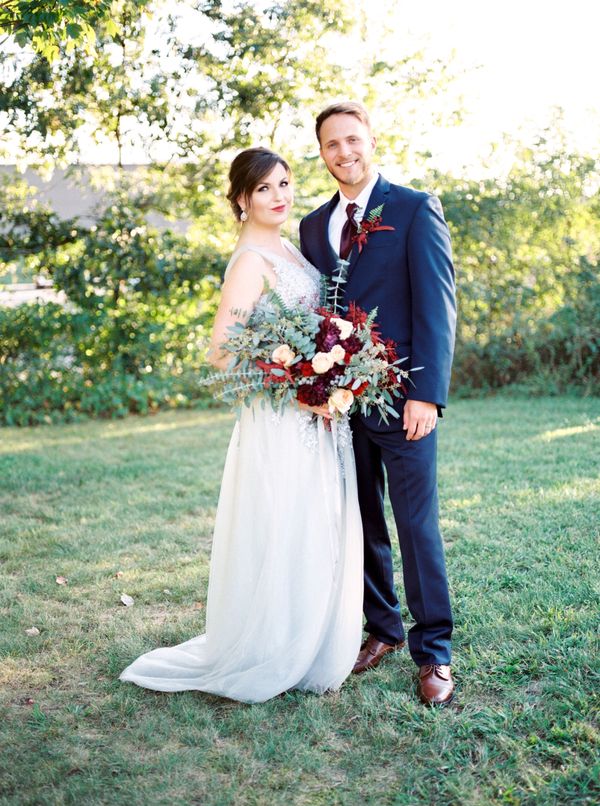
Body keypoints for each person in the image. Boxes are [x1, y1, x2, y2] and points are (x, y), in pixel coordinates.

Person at [119, 148, 363, 703]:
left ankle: (312, 637)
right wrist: (301, 387)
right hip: (281, 420)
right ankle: (275, 644)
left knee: (315, 521)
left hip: (315, 415)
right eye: (263, 190)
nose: (279, 196)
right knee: (286, 523)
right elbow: (223, 355)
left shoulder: (291, 249)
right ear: (240, 200)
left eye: (284, 183)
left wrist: (330, 374)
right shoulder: (251, 260)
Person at [299, 102, 457, 706]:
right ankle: (383, 629)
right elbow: (319, 315)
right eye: (332, 144)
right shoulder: (315, 226)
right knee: (361, 521)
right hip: (340, 406)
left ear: (371, 141)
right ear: (322, 153)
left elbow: (437, 308)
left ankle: (435, 650)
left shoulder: (415, 208)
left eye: (353, 140)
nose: (344, 152)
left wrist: (427, 395)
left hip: (403, 403)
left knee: (416, 527)